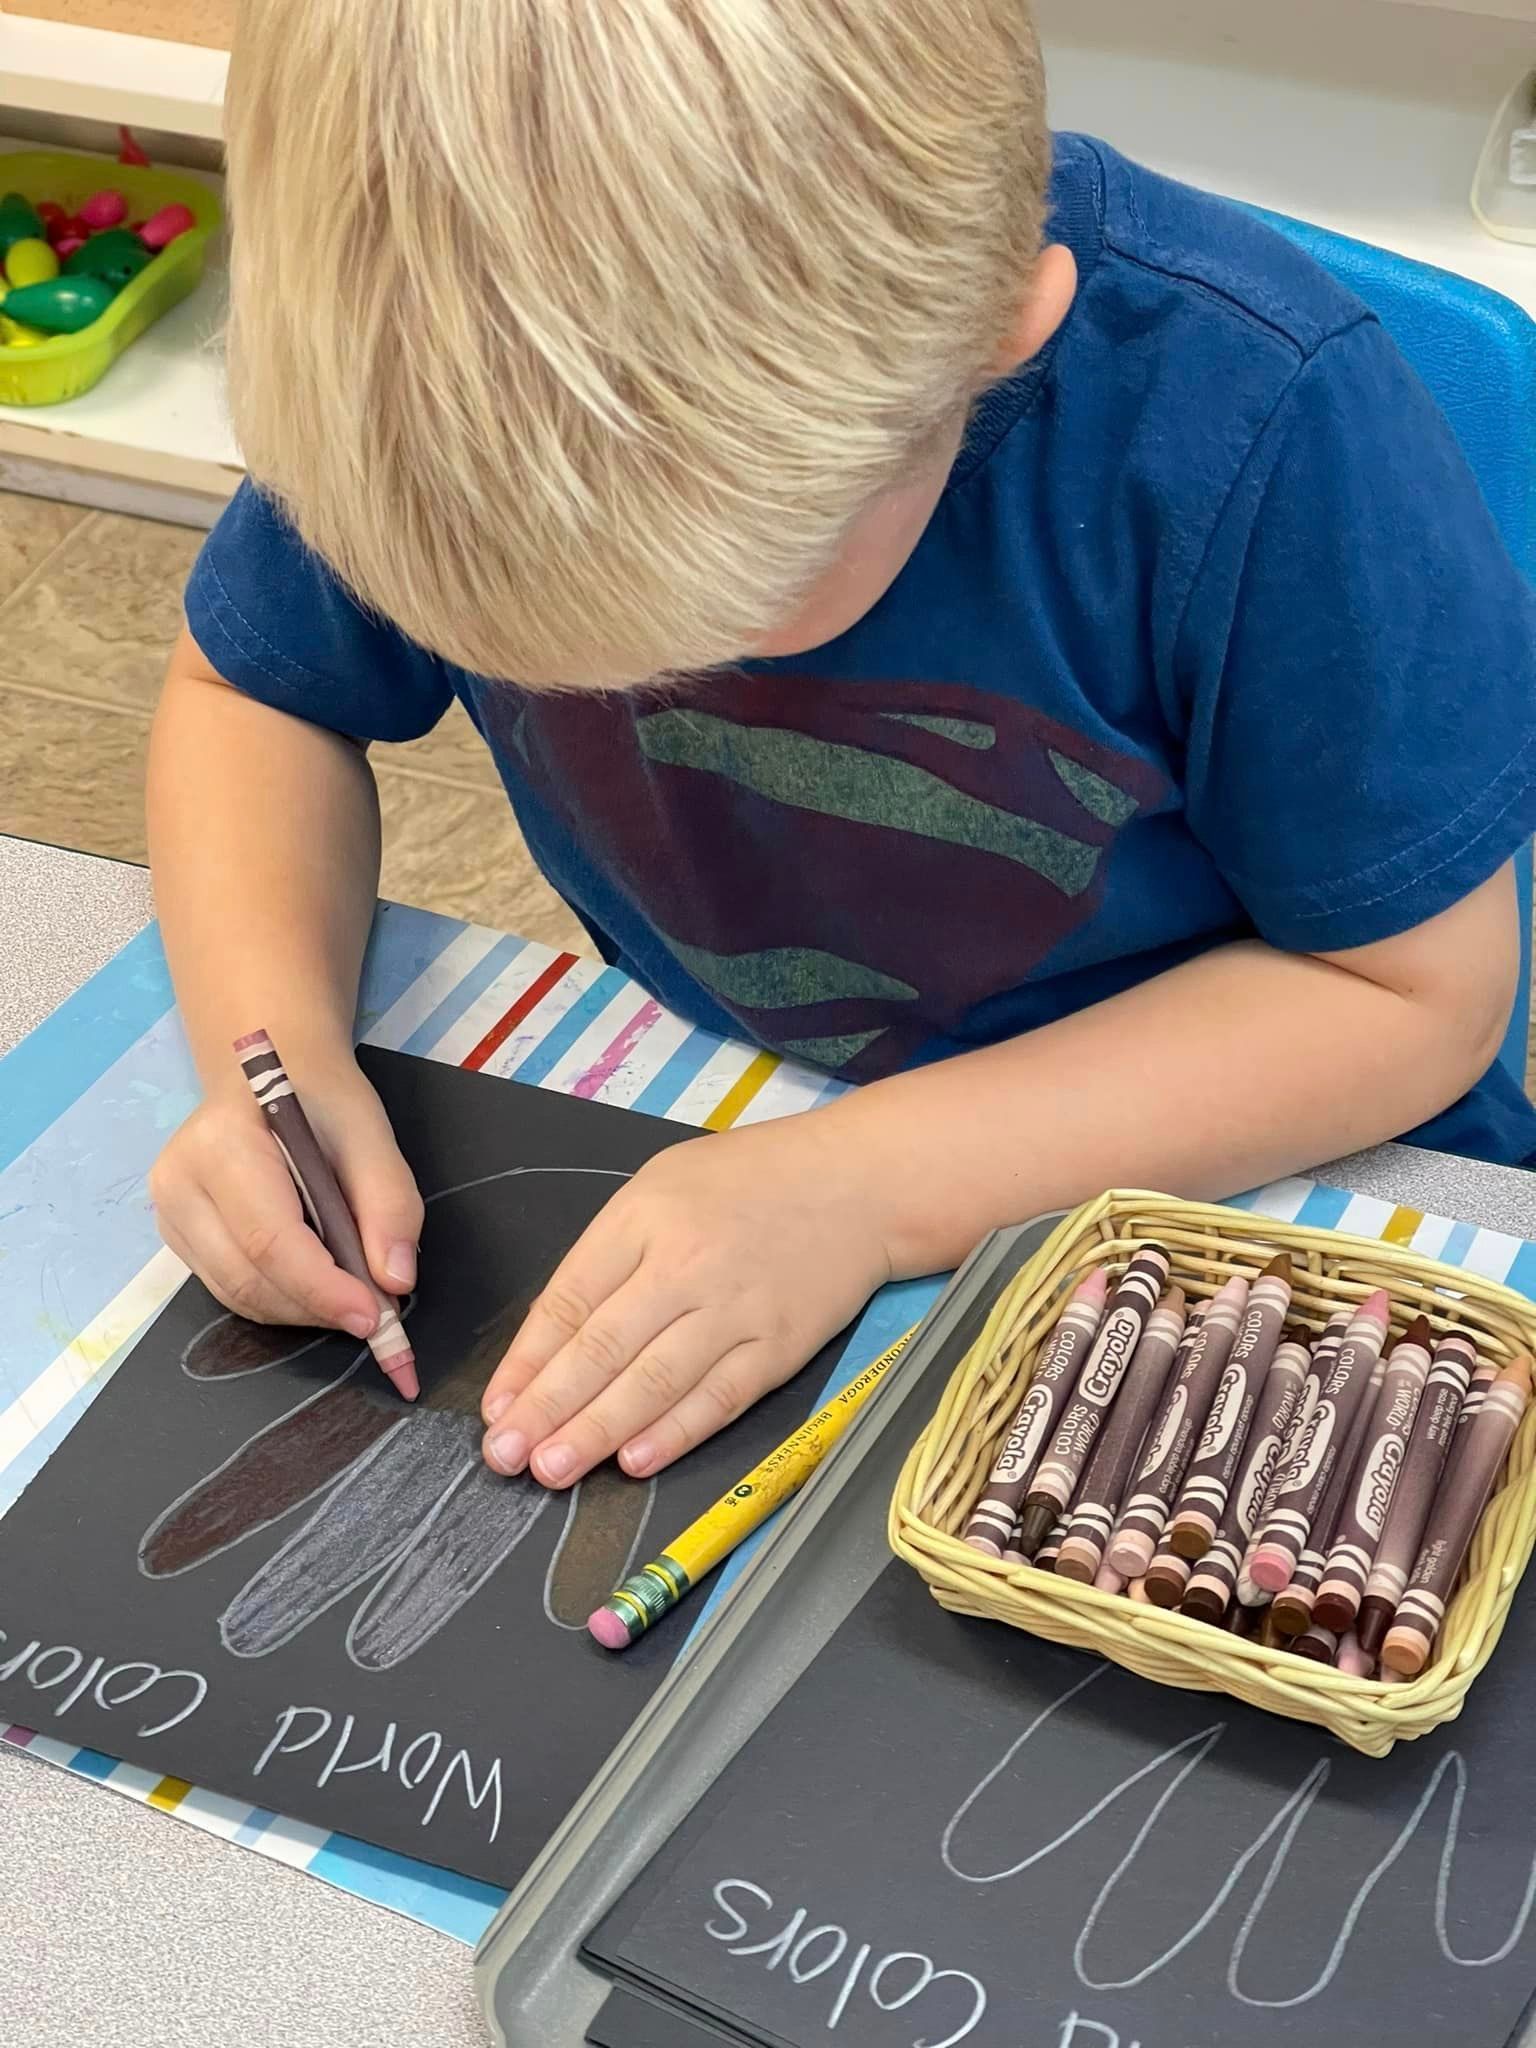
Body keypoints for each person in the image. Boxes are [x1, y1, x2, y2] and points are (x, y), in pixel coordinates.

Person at [148, 0, 1536, 1497]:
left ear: (998, 331)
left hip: (1289, 1203)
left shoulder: (1261, 423)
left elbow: (1408, 999)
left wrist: (862, 1191)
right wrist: (270, 1061)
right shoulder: (420, 379)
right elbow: (253, 696)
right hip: (737, 1125)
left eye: (730, 610)